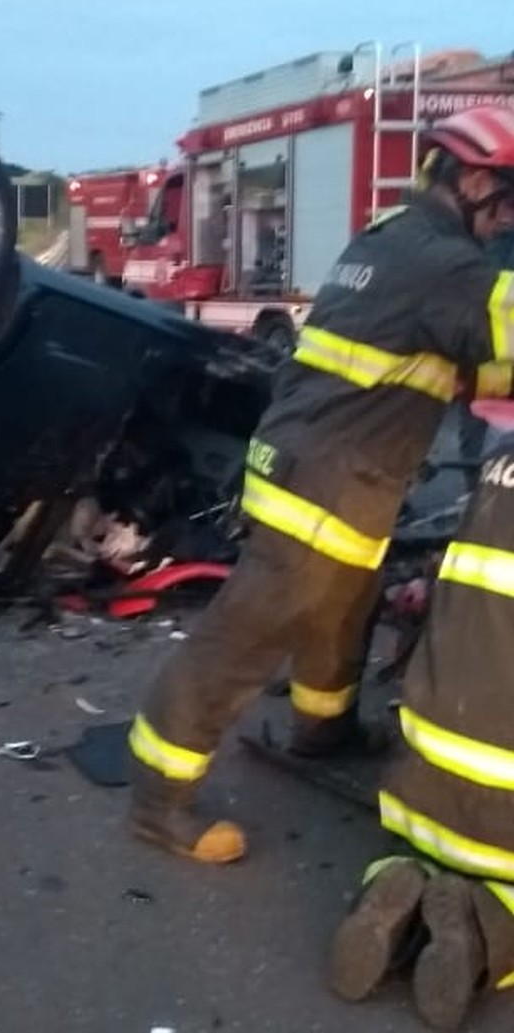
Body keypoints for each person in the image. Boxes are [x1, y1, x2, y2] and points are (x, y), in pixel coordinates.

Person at [126, 104, 514, 866]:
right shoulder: (452, 268)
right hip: (329, 479)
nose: (508, 220)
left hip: (318, 461)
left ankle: (322, 728)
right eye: (507, 200)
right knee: (245, 637)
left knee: (343, 607)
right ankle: (157, 798)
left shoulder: (392, 239)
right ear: (471, 181)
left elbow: (454, 359)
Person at [328, 409, 514, 1031]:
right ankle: (487, 929)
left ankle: (398, 882)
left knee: (417, 841)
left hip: (426, 757)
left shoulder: (501, 458)